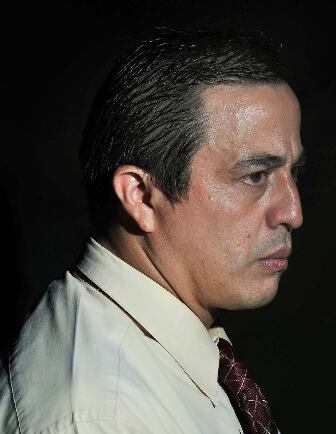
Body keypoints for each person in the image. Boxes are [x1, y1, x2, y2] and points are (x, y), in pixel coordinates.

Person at [0, 28, 304, 433]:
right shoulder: (102, 418)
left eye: (295, 173)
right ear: (140, 197)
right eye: (255, 176)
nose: (293, 212)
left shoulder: (149, 354)